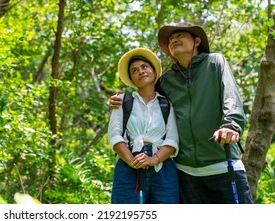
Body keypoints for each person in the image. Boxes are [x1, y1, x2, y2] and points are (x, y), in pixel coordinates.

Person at [108, 22, 253, 204]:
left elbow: (231, 97)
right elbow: (146, 98)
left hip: (222, 164)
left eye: (180, 35)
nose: (173, 40)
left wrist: (231, 125)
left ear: (197, 41)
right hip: (185, 173)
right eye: (170, 40)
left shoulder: (215, 62)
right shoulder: (167, 80)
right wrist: (118, 98)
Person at [108, 48, 179, 204]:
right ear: (131, 79)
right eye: (135, 70)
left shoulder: (166, 103)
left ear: (153, 71)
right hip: (128, 167)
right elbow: (115, 137)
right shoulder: (122, 100)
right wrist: (133, 161)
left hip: (162, 169)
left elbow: (172, 140)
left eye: (144, 67)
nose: (140, 71)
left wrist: (153, 159)